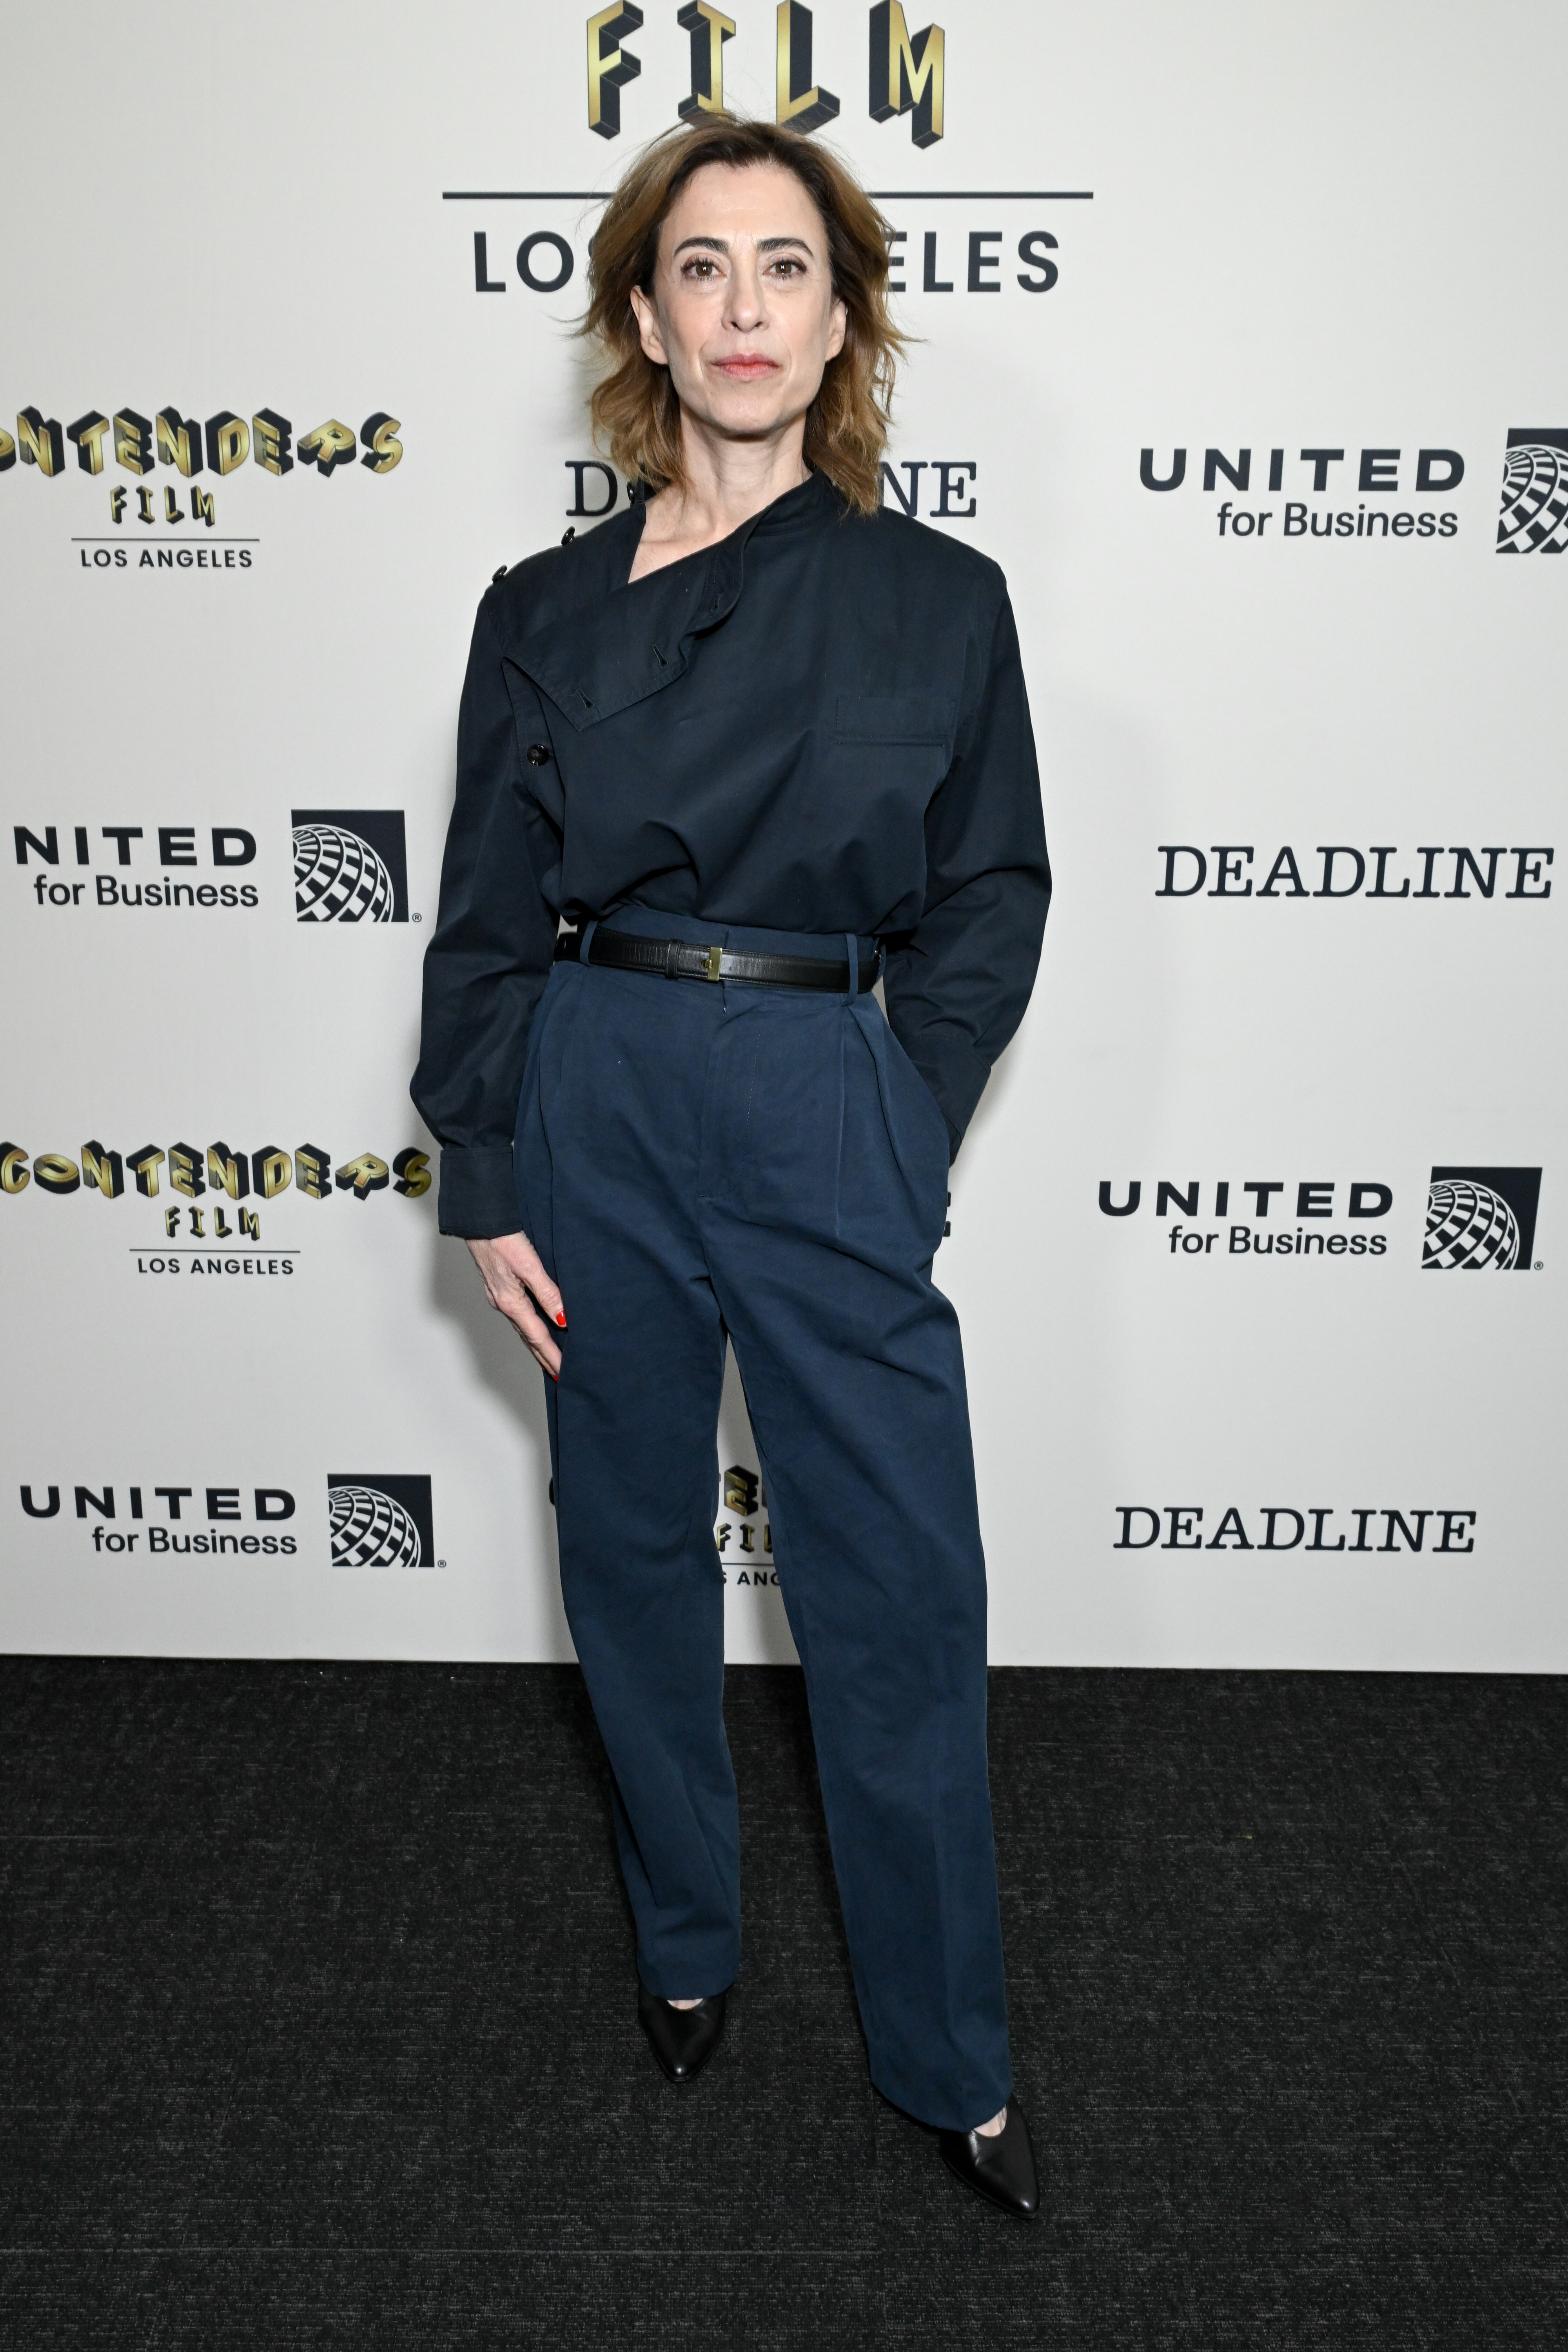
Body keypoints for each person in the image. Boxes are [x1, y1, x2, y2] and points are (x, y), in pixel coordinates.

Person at [412, 114, 1050, 2220]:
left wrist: (897, 1114)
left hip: (813, 1089)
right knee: (628, 1556)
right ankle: (685, 1942)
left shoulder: (941, 599)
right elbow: (489, 911)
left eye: (789, 267)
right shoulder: (540, 605)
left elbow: (991, 895)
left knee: (897, 1592)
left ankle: (949, 2053)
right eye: (704, 267)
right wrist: (487, 1162)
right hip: (594, 1083)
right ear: (645, 319)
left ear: (842, 318)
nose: (747, 305)